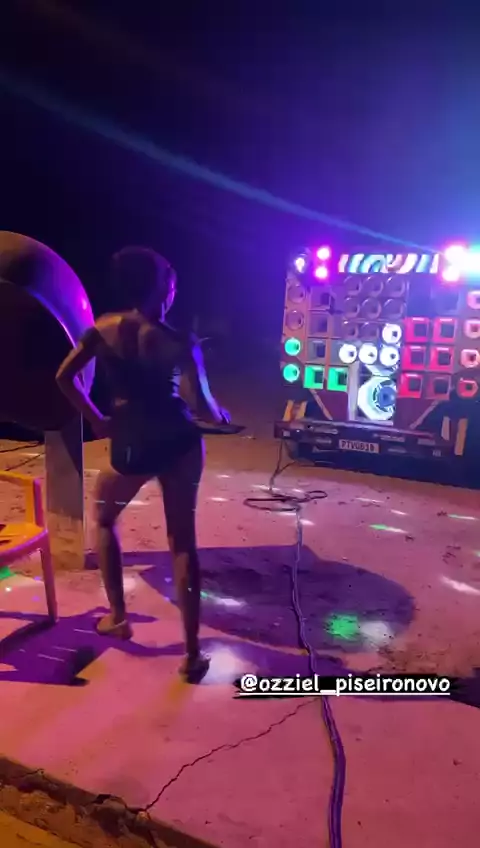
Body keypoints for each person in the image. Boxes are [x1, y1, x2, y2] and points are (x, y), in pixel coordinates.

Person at [56, 246, 229, 682]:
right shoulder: (181, 340)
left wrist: (97, 419)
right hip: (179, 439)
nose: (173, 295)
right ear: (160, 289)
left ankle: (118, 616)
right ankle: (192, 654)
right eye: (171, 287)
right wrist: (220, 414)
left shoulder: (102, 329)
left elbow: (64, 377)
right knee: (183, 543)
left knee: (105, 518)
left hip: (132, 441)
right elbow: (204, 407)